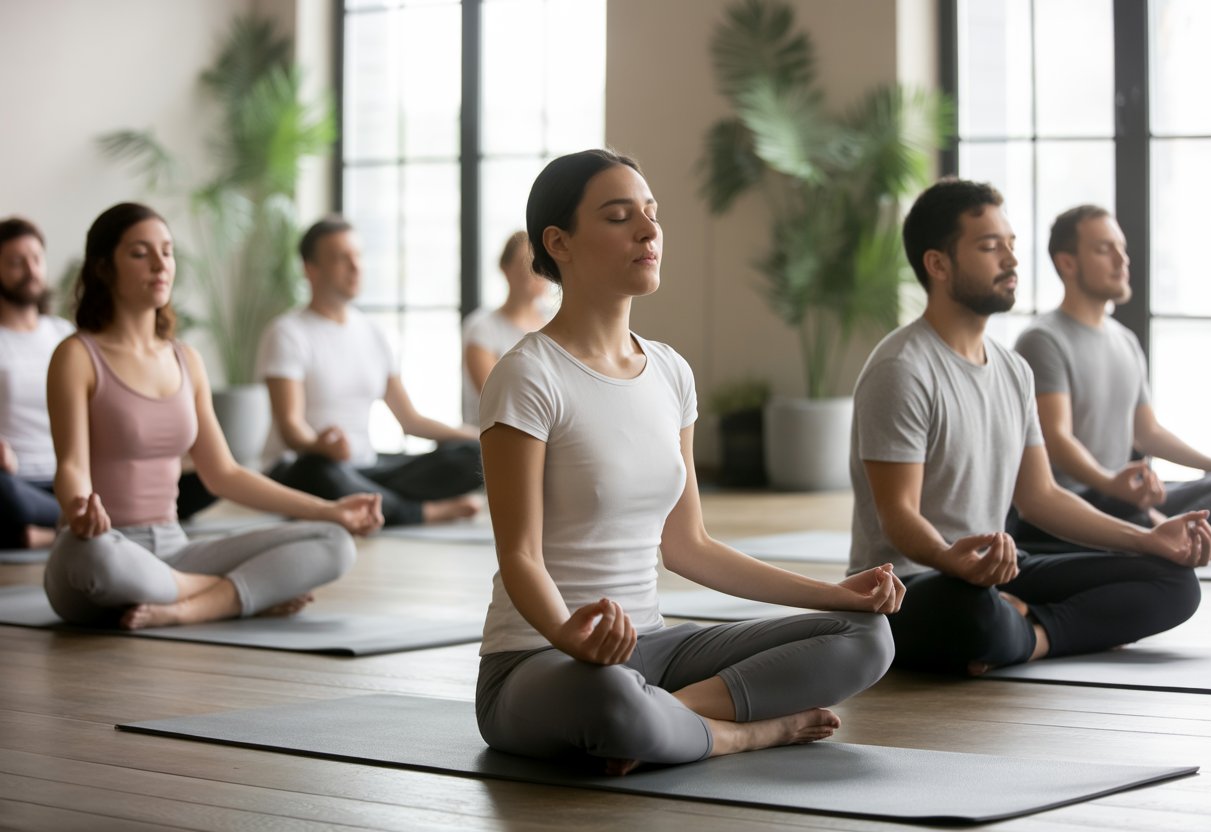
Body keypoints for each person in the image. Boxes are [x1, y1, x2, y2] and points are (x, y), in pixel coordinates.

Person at [476, 149, 901, 774]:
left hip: (652, 648)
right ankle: (739, 734)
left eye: (651, 214)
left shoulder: (671, 372)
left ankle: (665, 721)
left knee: (864, 635)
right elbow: (519, 556)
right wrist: (570, 636)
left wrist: (834, 594)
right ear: (559, 242)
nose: (649, 231)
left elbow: (690, 546)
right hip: (541, 660)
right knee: (610, 699)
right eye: (620, 217)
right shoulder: (527, 375)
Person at [850, 178, 1209, 676]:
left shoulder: (1013, 370)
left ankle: (1032, 635)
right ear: (938, 264)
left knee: (1173, 580)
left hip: (999, 572)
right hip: (914, 582)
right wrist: (953, 561)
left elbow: (1041, 496)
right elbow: (897, 515)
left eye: (1012, 245)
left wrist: (1146, 540)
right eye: (990, 246)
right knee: (970, 611)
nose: (1012, 261)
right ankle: (1008, 627)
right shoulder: (902, 368)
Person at [42, 203, 383, 630]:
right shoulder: (77, 356)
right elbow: (71, 465)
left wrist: (329, 510)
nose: (159, 264)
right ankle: (228, 592)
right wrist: (78, 510)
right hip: (105, 547)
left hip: (174, 546)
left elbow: (224, 474)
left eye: (166, 251)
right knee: (91, 560)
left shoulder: (187, 359)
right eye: (139, 253)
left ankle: (190, 604)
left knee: (333, 543)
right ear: (103, 268)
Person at [1011, 205, 1211, 548]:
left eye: (1121, 248)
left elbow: (1146, 432)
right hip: (1076, 505)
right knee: (1156, 543)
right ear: (1067, 263)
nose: (1122, 260)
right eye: (1104, 249)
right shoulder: (1043, 339)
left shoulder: (1125, 340)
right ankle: (1157, 538)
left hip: (1122, 498)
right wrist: (1110, 483)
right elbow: (1057, 441)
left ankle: (1161, 537)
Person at [258, 216, 482, 526]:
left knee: (476, 456)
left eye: (358, 256)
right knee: (319, 471)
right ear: (311, 269)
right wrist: (318, 446)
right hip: (303, 468)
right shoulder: (287, 333)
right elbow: (290, 427)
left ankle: (372, 502)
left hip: (365, 468)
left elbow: (410, 420)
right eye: (341, 258)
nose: (356, 266)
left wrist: (478, 437)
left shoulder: (372, 333)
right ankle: (423, 511)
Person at [0, 218, 73, 550]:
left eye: (36, 259)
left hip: (70, 478)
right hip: (15, 483)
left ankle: (47, 531)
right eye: (16, 262)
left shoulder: (64, 335)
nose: (30, 270)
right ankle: (86, 523)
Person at [461, 230, 550, 425]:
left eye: (540, 263)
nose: (534, 271)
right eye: (524, 263)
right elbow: (497, 399)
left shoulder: (554, 323)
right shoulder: (482, 328)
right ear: (505, 269)